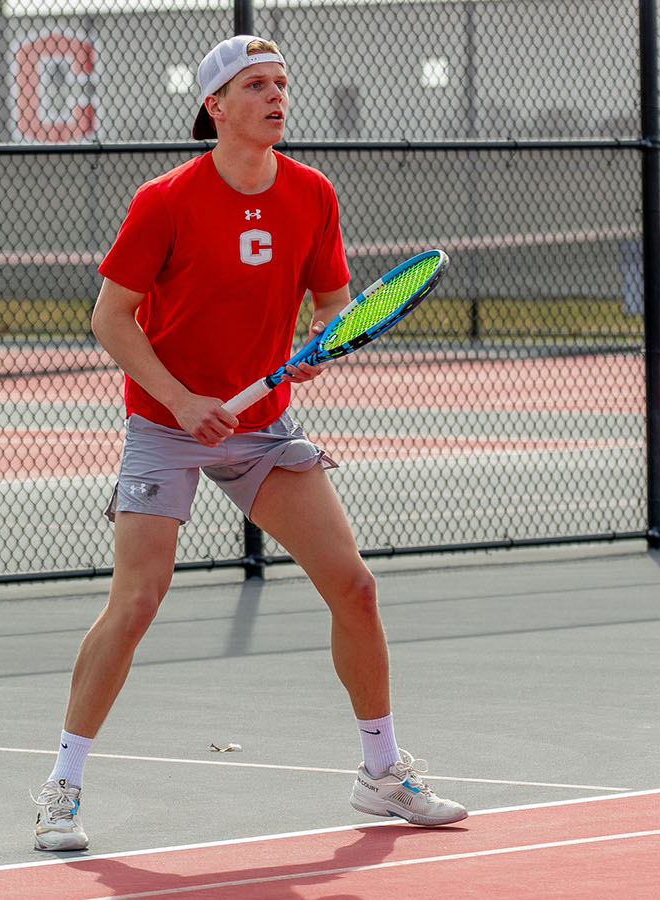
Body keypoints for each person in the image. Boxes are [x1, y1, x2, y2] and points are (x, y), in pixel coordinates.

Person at [31, 34, 467, 852]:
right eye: (256, 85)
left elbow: (334, 311)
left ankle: (381, 774)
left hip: (263, 429)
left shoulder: (312, 193)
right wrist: (181, 400)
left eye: (282, 84)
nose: (276, 97)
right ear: (216, 107)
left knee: (355, 587)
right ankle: (62, 788)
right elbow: (109, 319)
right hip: (167, 425)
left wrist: (324, 340)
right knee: (136, 604)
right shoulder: (164, 200)